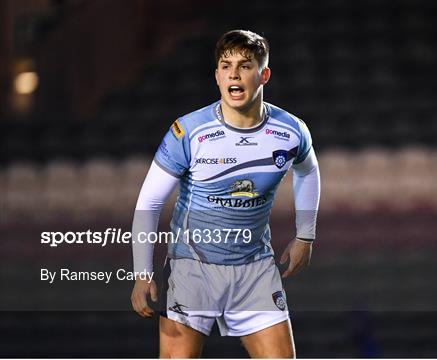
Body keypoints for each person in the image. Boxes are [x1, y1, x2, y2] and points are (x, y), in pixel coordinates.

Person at [130, 29, 320, 358]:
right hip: (193, 268)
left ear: (264, 74)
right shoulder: (189, 131)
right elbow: (149, 201)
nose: (234, 73)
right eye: (225, 65)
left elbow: (309, 171)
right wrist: (142, 273)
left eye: (245, 65)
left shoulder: (291, 130)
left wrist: (306, 235)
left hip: (255, 269)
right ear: (217, 75)